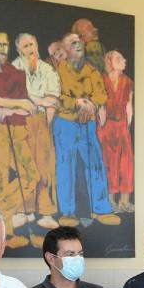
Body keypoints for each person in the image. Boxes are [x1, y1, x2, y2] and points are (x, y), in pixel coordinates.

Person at [0, 30, 45, 249]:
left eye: (5, 45)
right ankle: (5, 234)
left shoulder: (16, 73)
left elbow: (29, 107)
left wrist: (9, 106)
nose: (2, 49)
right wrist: (16, 104)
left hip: (17, 129)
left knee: (31, 176)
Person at [54, 33, 119, 228]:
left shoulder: (92, 70)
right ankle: (67, 212)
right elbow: (55, 97)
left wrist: (90, 104)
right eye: (73, 43)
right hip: (65, 123)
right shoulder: (57, 71)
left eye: (79, 41)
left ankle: (101, 209)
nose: (79, 45)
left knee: (95, 164)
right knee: (66, 166)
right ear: (65, 50)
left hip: (88, 124)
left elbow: (101, 94)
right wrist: (77, 103)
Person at [11, 32, 62, 227]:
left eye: (32, 44)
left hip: (42, 121)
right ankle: (25, 210)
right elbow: (16, 99)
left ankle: (45, 212)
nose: (30, 49)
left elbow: (53, 100)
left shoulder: (47, 69)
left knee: (44, 167)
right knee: (24, 167)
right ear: (18, 50)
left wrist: (33, 100)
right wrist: (38, 100)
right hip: (19, 121)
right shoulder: (14, 68)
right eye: (25, 47)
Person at [99, 49, 134, 214]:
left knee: (125, 163)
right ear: (110, 62)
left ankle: (124, 202)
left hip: (121, 126)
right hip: (107, 126)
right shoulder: (102, 80)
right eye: (119, 58)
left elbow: (129, 105)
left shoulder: (127, 81)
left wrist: (126, 125)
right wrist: (102, 125)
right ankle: (110, 201)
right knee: (109, 162)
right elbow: (100, 105)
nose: (124, 60)